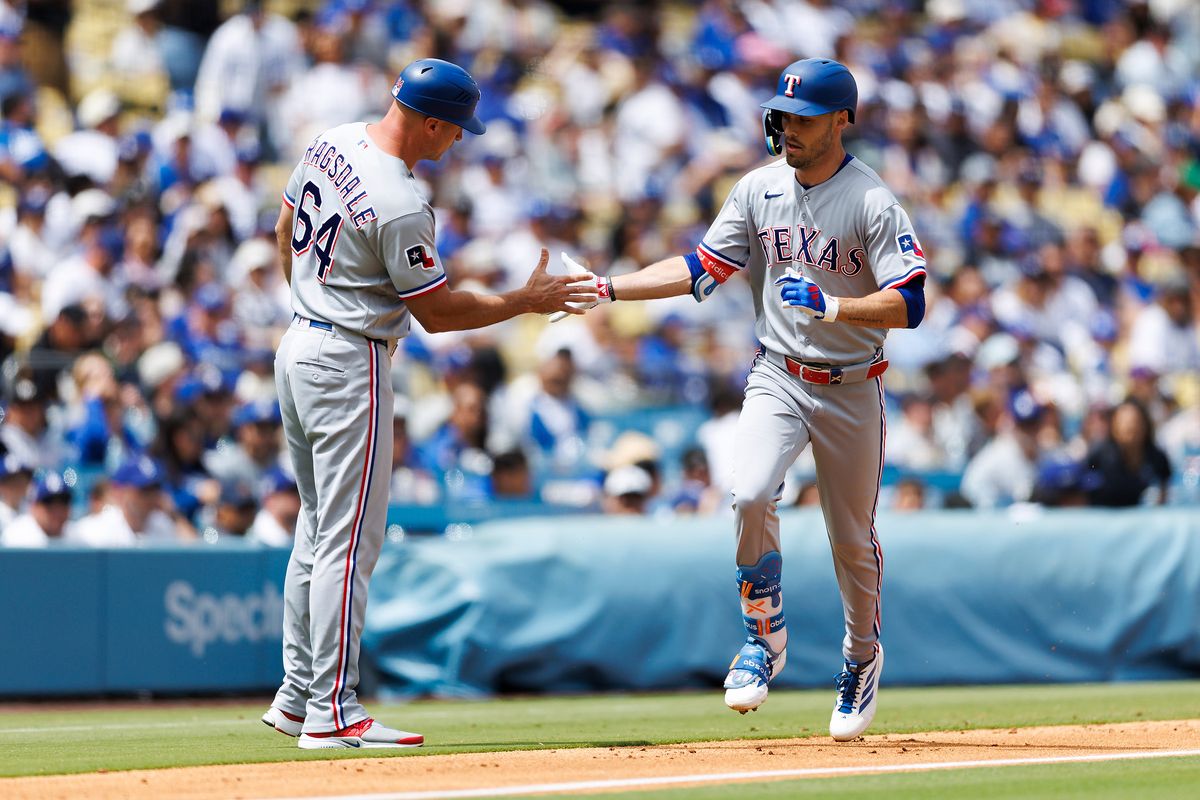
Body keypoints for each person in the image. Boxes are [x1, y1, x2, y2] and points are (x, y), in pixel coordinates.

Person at [561, 59, 926, 741]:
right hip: (779, 375)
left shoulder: (872, 200)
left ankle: (861, 656)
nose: (788, 126)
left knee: (851, 541)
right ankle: (764, 636)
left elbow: (911, 302)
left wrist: (836, 306)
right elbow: (701, 267)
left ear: (842, 120)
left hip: (853, 385)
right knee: (750, 491)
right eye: (783, 114)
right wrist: (610, 288)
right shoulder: (758, 188)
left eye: (806, 117)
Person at [262, 58, 594, 750]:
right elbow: (438, 315)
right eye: (457, 129)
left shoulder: (333, 139)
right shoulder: (400, 198)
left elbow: (286, 219)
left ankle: (298, 695)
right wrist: (525, 301)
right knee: (350, 541)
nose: (459, 141)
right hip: (350, 356)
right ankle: (331, 708)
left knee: (318, 530)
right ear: (433, 121)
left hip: (299, 341)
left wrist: (313, 294)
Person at [1, 470, 73, 547]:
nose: (57, 510)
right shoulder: (16, 536)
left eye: (63, 502)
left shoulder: (78, 536)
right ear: (34, 507)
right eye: (49, 503)